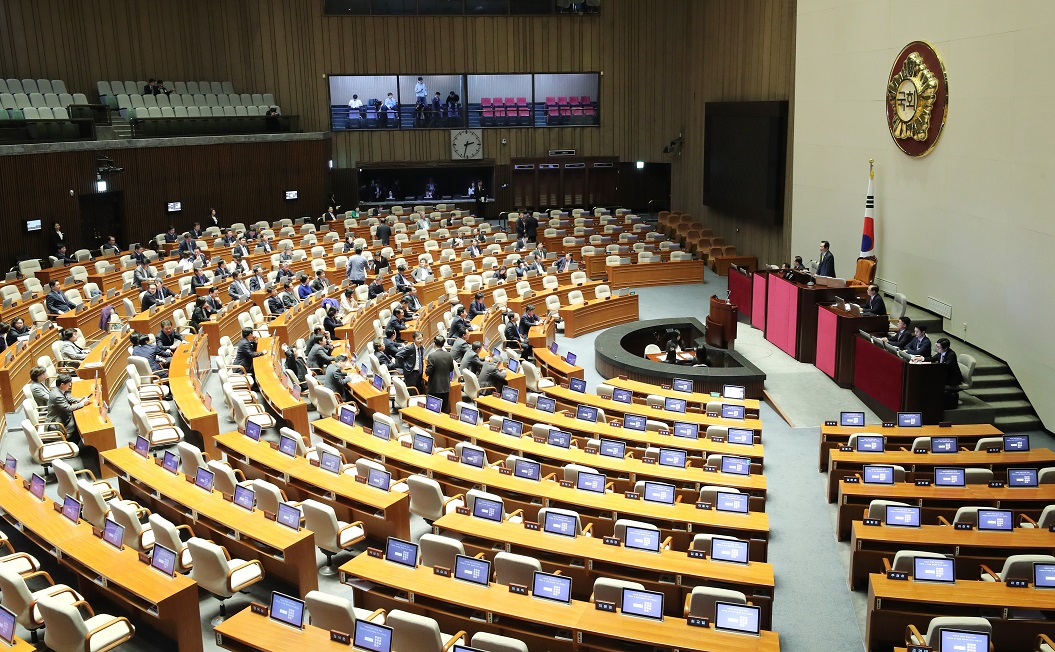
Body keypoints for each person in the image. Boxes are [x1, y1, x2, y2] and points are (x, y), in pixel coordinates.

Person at [48, 373, 87, 440]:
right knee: (77, 423)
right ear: (62, 384)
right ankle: (73, 441)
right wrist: (82, 404)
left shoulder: (58, 389)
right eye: (68, 384)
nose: (70, 386)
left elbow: (67, 398)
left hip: (62, 414)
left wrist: (79, 400)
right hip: (57, 421)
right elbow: (68, 408)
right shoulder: (57, 395)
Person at [425, 335, 454, 412]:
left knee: (433, 409)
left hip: (434, 387)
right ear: (443, 344)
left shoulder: (432, 356)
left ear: (434, 344)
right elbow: (451, 369)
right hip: (445, 386)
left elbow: (428, 372)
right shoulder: (449, 355)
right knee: (444, 408)